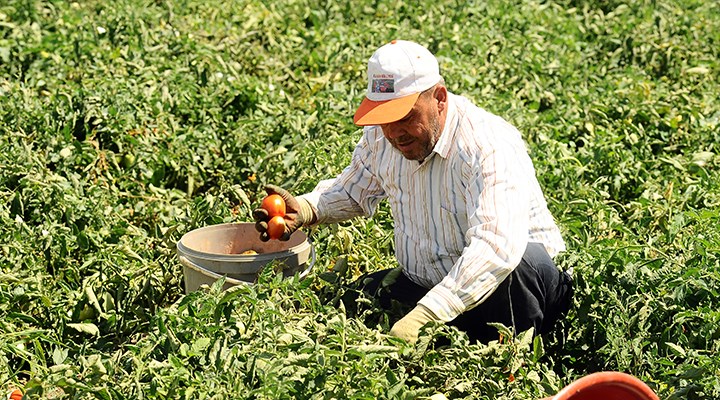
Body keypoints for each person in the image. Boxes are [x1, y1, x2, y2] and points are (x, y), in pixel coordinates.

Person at [253, 39, 573, 344]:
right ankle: (448, 329)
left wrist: (426, 315)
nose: (394, 132)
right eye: (384, 119)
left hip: (514, 285)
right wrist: (307, 209)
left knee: (518, 265)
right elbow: (355, 189)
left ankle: (509, 356)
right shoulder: (382, 138)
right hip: (432, 284)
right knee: (351, 303)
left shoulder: (486, 145)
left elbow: (495, 247)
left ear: (440, 99)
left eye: (405, 117)